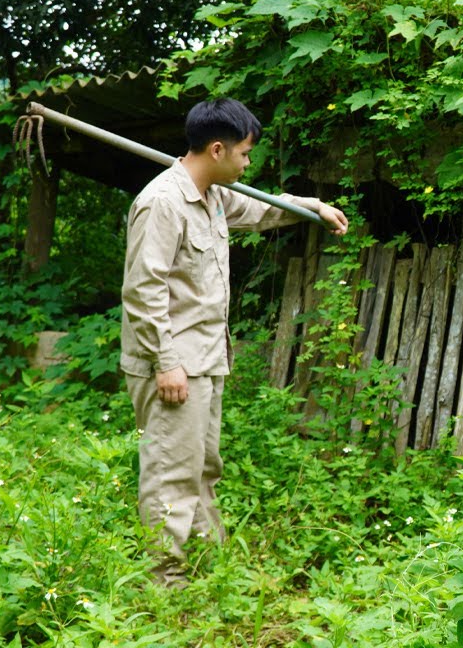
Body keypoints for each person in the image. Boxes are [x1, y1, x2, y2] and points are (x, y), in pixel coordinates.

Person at [120, 98, 348, 586]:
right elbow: (143, 291)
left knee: (203, 468)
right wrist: (166, 363)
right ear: (218, 148)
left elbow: (266, 209)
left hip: (204, 360)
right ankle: (166, 583)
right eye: (244, 154)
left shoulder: (216, 196)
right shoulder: (161, 203)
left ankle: (205, 566)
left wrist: (315, 208)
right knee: (171, 474)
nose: (248, 164)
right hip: (175, 363)